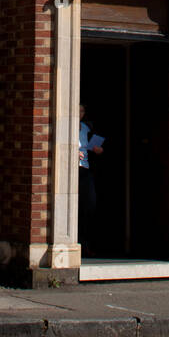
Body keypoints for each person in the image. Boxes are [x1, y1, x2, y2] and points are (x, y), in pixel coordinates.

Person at [78, 103, 103, 256]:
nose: (80, 113)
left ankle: (85, 243)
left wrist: (98, 150)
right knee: (77, 208)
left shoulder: (87, 128)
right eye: (78, 109)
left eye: (82, 110)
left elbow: (96, 147)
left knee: (89, 205)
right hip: (74, 170)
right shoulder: (67, 126)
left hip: (86, 170)